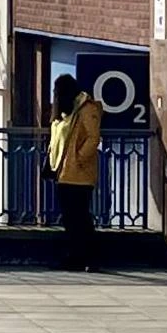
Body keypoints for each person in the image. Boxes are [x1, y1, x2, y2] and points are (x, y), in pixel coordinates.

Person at [49, 74, 104, 271]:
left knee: (81, 217)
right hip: (64, 173)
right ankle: (75, 257)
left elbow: (93, 137)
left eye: (57, 91)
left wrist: (80, 157)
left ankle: (90, 257)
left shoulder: (86, 109)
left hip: (80, 174)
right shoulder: (66, 113)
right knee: (70, 217)